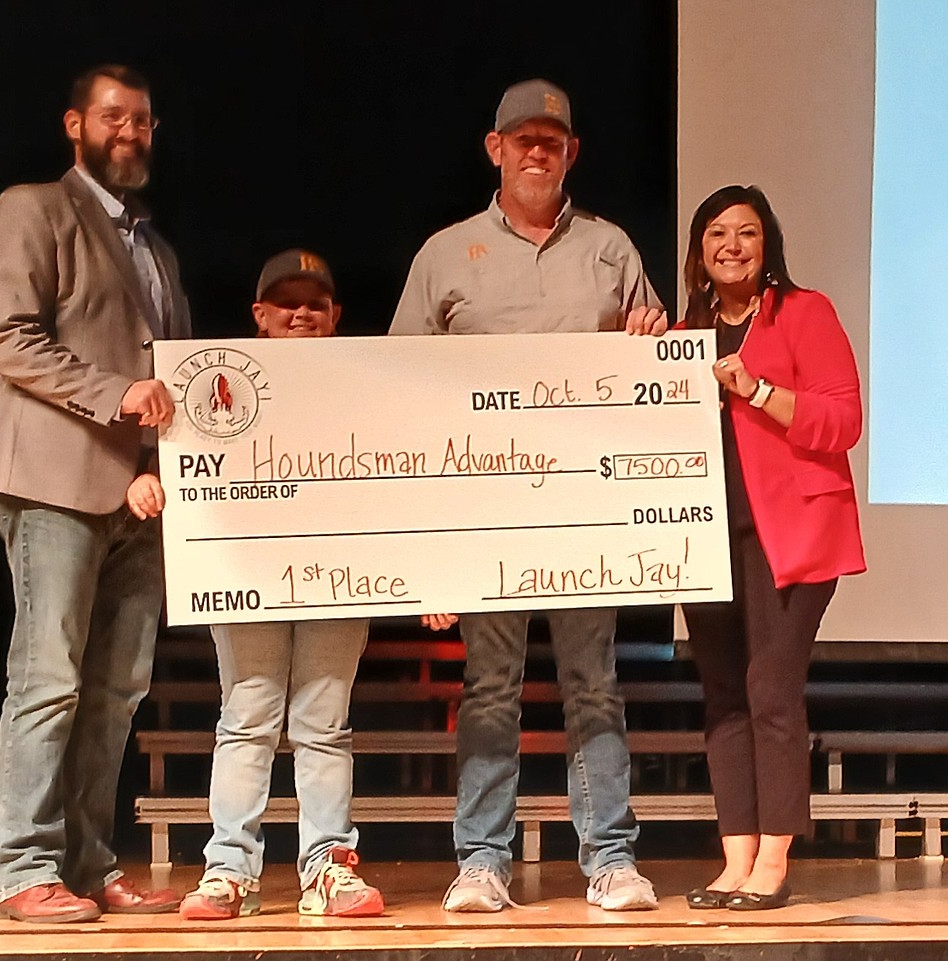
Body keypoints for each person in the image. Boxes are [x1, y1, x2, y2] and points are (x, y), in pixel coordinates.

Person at [389, 79, 667, 912]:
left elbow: (656, 367)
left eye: (552, 138)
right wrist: (427, 537)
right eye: (523, 138)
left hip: (586, 512)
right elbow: (399, 387)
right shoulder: (445, 252)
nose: (537, 149)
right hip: (484, 514)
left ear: (571, 151)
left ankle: (610, 858)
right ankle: (481, 859)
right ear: (495, 148)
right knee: (490, 686)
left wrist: (651, 340)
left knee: (595, 684)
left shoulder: (611, 248)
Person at [0, 64, 190, 923]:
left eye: (141, 120)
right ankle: (24, 864)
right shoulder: (32, 208)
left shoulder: (157, 248)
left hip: (140, 496)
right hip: (53, 482)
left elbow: (168, 375)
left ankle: (90, 862)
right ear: (75, 124)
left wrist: (161, 461)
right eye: (112, 118)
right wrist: (114, 396)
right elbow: (7, 337)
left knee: (116, 688)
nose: (129, 132)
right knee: (49, 678)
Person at [128, 249, 385, 920]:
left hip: (340, 574)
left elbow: (401, 475)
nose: (301, 311)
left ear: (335, 317)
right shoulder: (214, 386)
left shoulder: (370, 383)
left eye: (315, 303)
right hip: (246, 572)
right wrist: (153, 478)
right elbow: (182, 459)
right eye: (287, 301)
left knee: (323, 723)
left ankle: (328, 865)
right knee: (247, 716)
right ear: (259, 314)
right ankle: (229, 871)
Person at [677, 185, 866, 911]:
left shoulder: (805, 312)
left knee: (770, 689)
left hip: (792, 535)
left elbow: (841, 420)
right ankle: (736, 858)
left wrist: (756, 391)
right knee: (723, 694)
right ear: (699, 248)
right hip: (703, 537)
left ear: (768, 244)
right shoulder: (684, 329)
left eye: (747, 233)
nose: (732, 245)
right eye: (717, 232)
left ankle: (776, 860)